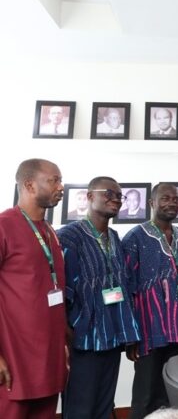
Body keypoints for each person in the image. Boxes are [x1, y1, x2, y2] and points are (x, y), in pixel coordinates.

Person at [58, 177, 140, 418]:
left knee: (105, 407)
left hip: (112, 336)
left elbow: (122, 287)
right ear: (90, 196)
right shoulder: (69, 237)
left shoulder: (114, 238)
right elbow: (61, 290)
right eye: (108, 193)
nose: (115, 198)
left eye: (119, 195)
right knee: (80, 408)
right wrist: (66, 332)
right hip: (83, 340)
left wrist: (129, 333)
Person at [122, 183, 178, 419]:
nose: (172, 203)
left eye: (176, 199)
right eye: (165, 198)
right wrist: (131, 336)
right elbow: (127, 288)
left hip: (176, 330)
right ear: (151, 203)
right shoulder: (135, 237)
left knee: (173, 388)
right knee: (146, 393)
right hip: (148, 331)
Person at [0, 159, 67, 419]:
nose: (60, 187)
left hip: (49, 357)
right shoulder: (5, 225)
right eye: (54, 180)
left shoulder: (50, 231)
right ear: (29, 184)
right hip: (15, 358)